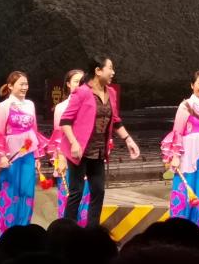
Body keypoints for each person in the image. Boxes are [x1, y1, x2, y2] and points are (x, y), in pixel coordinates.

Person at [60, 56, 141, 228]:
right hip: (79, 151)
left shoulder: (111, 92)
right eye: (110, 68)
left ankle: (92, 232)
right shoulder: (82, 92)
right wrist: (74, 142)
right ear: (98, 71)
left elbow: (116, 120)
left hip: (98, 151)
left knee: (98, 191)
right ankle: (66, 232)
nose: (113, 72)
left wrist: (128, 140)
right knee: (76, 193)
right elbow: (65, 121)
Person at [0, 71, 51, 234]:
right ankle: (7, 232)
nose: (25, 87)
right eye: (21, 84)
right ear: (10, 86)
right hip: (10, 156)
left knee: (27, 192)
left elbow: (34, 131)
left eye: (26, 84)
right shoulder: (4, 106)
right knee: (10, 191)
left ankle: (23, 230)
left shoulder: (30, 104)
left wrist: (37, 156)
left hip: (28, 153)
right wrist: (1, 156)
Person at [161, 70, 199, 228]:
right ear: (192, 85)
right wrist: (175, 156)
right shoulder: (185, 106)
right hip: (187, 154)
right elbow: (177, 131)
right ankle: (178, 229)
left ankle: (196, 229)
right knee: (184, 190)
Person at [49, 70, 90, 225]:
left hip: (87, 157)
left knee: (86, 197)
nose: (79, 85)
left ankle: (83, 231)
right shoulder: (61, 107)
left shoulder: (90, 104)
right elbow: (58, 136)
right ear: (68, 84)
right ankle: (66, 232)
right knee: (68, 197)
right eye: (75, 81)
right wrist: (60, 158)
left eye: (82, 82)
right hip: (67, 158)